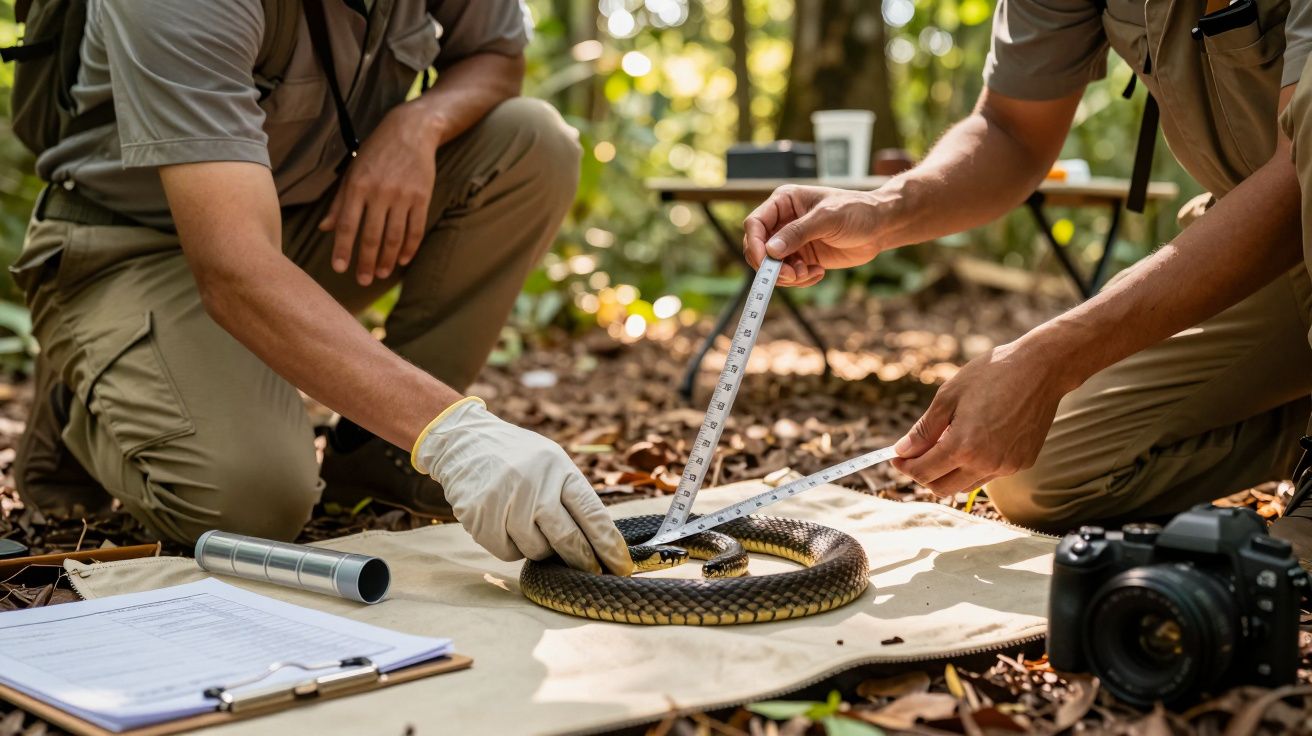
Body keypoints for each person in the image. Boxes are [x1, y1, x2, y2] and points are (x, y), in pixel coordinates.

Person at [9, 0, 633, 577]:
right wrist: (451, 432)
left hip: (303, 222)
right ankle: (85, 382)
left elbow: (497, 58)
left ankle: (379, 460)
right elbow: (233, 269)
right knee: (252, 504)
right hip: (134, 244)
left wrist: (420, 124)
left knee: (532, 142)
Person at [743, 0, 1312, 560]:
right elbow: (1011, 127)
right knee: (1038, 475)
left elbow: (1297, 179)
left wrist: (1049, 359)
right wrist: (883, 210)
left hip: (1291, 211)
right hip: (1261, 250)